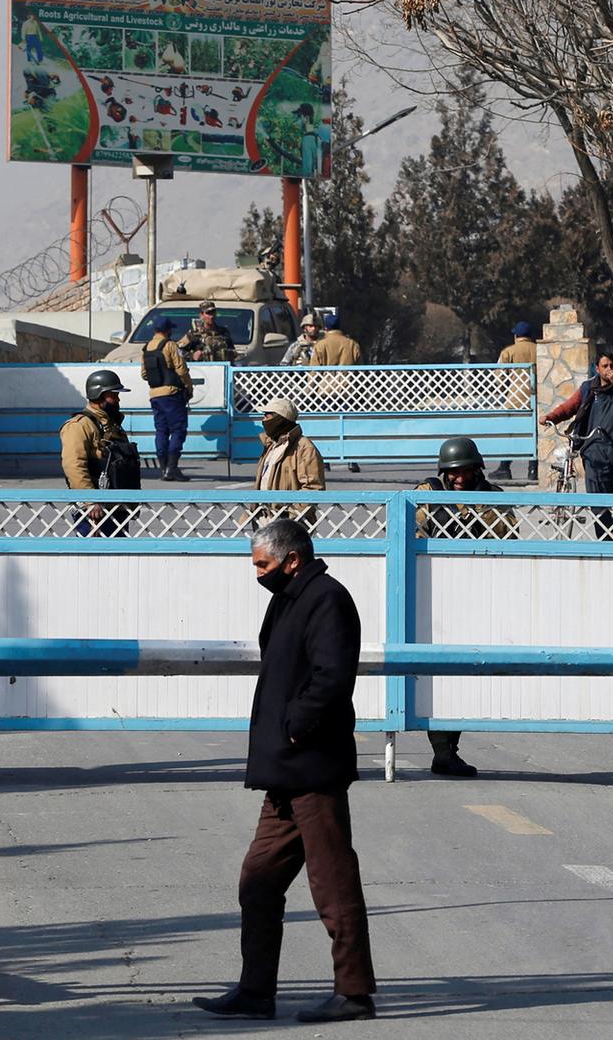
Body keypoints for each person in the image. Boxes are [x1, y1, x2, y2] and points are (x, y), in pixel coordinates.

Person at [194, 519, 377, 1024]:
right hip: (284, 772)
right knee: (258, 879)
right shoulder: (289, 598)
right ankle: (256, 991)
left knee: (332, 881)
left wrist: (297, 725)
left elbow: (332, 676)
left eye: (262, 564)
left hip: (312, 766)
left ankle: (354, 994)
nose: (257, 573)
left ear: (291, 559)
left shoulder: (327, 599)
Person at [410, 437, 511, 778]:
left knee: (463, 672)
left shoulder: (492, 497)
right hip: (434, 590)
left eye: (465, 471)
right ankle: (442, 751)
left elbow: (507, 534)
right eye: (452, 473)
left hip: (476, 593)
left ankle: (448, 751)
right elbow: (411, 531)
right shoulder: (428, 492)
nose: (458, 479)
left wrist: (474, 509)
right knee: (435, 673)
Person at [541, 351, 613, 540]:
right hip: (594, 455)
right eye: (605, 366)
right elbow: (569, 407)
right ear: (597, 368)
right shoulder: (588, 388)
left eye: (612, 366)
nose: (609, 370)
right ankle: (605, 538)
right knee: (598, 502)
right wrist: (550, 417)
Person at [59, 370, 140, 536]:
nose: (117, 400)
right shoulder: (79, 425)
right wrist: (90, 501)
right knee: (93, 559)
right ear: (99, 395)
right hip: (95, 511)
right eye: (113, 395)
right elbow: (73, 465)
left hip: (117, 506)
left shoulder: (112, 424)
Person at [252, 397, 326, 526]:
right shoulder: (271, 445)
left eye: (267, 416)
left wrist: (292, 515)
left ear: (280, 419)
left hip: (290, 523)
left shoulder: (303, 447)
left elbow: (313, 488)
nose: (263, 420)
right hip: (264, 517)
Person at [143, 315, 196, 481]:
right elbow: (181, 369)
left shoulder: (147, 348)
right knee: (178, 429)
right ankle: (172, 468)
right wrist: (189, 387)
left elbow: (144, 374)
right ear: (167, 330)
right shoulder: (170, 345)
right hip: (172, 394)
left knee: (161, 430)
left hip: (155, 395)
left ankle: (164, 468)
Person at [496, 320, 539, 475]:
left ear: (516, 336)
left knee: (511, 434)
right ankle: (533, 469)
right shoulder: (539, 350)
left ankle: (504, 467)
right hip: (537, 399)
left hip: (515, 400)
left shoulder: (508, 351)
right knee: (535, 435)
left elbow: (499, 379)